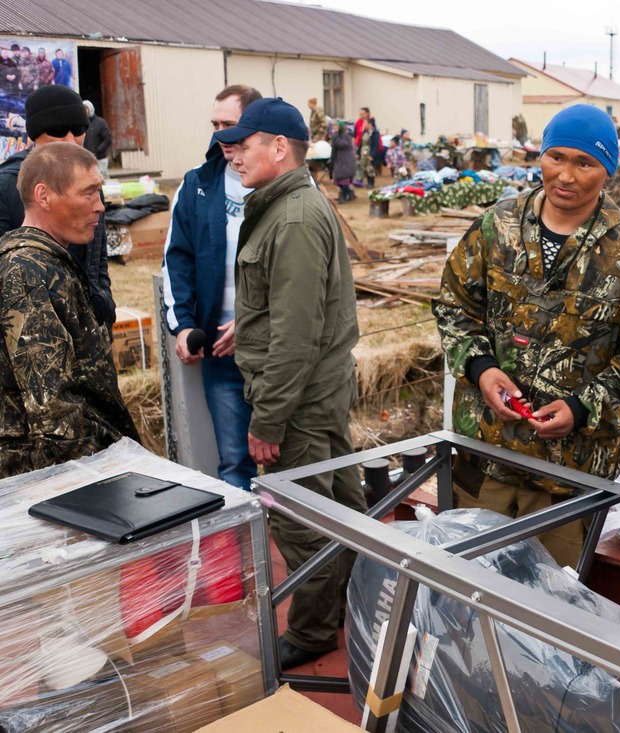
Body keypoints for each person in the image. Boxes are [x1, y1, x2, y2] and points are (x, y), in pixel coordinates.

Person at [433, 104, 620, 569]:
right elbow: (454, 306)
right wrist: (481, 369)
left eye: (584, 163)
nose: (565, 175)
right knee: (462, 597)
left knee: (546, 615)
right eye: (556, 157)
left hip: (567, 480)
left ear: (607, 170)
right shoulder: (496, 227)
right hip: (483, 459)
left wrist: (583, 408)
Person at [213, 97, 364, 669]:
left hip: (298, 402)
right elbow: (284, 311)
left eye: (243, 144)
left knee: (303, 521)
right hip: (312, 394)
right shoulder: (284, 207)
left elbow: (296, 334)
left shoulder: (294, 217)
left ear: (279, 148)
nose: (233, 154)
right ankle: (344, 608)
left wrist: (268, 419)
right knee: (341, 508)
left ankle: (310, 632)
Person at [0, 143, 139, 476]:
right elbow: (55, 416)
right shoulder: (26, 275)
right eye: (88, 193)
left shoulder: (48, 262)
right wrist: (110, 471)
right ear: (43, 196)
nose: (100, 207)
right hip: (59, 479)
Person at [162, 84, 262, 491]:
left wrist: (254, 324)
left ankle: (294, 551)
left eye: (230, 125)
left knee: (289, 464)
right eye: (215, 125)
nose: (220, 135)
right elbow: (177, 259)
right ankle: (245, 553)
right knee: (235, 465)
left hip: (272, 352)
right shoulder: (197, 185)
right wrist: (183, 325)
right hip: (220, 355)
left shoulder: (280, 186)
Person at [0, 85, 114, 330]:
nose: (71, 140)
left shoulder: (88, 178)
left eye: (79, 129)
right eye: (58, 130)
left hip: (87, 326)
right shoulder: (7, 185)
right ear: (34, 134)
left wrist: (104, 301)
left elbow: (96, 257)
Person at [82, 100, 113, 178]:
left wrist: (98, 150)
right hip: (87, 160)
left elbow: (108, 138)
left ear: (90, 109)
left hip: (100, 159)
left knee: (102, 180)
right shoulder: (82, 124)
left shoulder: (100, 122)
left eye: (86, 108)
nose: (84, 111)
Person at [329, 119, 356, 202]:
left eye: (336, 126)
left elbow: (342, 144)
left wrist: (334, 136)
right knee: (340, 180)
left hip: (345, 161)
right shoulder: (338, 135)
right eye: (333, 126)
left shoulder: (345, 135)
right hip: (340, 161)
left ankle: (344, 197)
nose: (334, 128)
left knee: (343, 180)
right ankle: (348, 194)